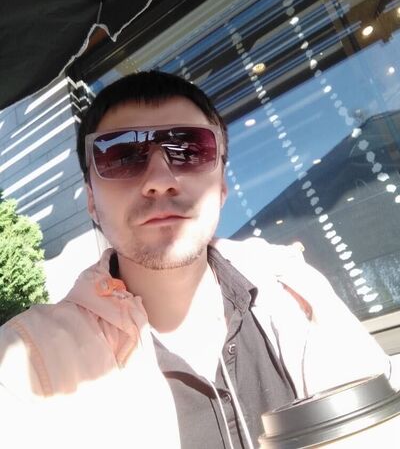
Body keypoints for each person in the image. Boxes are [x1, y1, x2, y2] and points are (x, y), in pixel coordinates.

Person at [0, 71, 396, 449]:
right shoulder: (27, 363)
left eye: (189, 150)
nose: (160, 180)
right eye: (121, 156)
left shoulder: (295, 291)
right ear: (91, 200)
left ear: (222, 185)